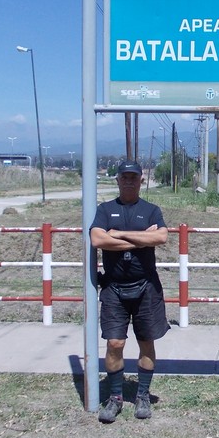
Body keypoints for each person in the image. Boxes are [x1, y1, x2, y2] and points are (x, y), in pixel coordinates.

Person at [89, 160, 170, 423]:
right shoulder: (105, 209)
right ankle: (115, 397)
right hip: (113, 288)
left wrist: (119, 235)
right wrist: (139, 239)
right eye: (124, 177)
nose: (128, 181)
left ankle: (143, 395)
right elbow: (98, 240)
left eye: (133, 177)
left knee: (146, 342)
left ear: (141, 181)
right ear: (117, 180)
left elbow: (160, 238)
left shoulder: (151, 210)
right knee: (115, 343)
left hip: (146, 286)